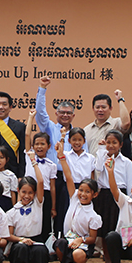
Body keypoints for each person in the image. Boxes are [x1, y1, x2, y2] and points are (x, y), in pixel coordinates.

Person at [35, 76, 77, 237]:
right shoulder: (50, 128)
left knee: (66, 209)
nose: (65, 115)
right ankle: (46, 243)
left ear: (73, 115)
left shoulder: (77, 135)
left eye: (68, 113)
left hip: (69, 178)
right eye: (62, 112)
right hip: (50, 176)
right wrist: (42, 88)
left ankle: (62, 241)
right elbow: (40, 112)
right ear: (56, 113)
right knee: (48, 210)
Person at [55, 139, 100, 263]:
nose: (83, 194)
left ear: (94, 194)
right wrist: (61, 156)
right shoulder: (74, 197)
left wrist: (81, 240)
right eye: (81, 190)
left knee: (78, 255)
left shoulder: (94, 216)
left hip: (83, 243)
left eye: (87, 192)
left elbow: (93, 238)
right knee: (58, 244)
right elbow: (68, 176)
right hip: (68, 239)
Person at [94, 129, 132, 263]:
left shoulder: (126, 162)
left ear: (121, 144)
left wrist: (130, 200)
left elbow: (130, 182)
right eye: (108, 142)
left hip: (121, 196)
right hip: (105, 195)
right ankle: (108, 260)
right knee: (105, 229)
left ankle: (119, 259)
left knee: (118, 227)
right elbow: (98, 168)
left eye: (114, 143)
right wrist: (100, 150)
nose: (111, 146)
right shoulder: (103, 158)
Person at [5, 159, 50, 263]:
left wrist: (34, 163)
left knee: (39, 250)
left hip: (36, 239)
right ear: (18, 191)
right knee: (20, 248)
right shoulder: (11, 212)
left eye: (30, 192)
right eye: (23, 192)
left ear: (35, 193)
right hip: (19, 240)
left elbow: (40, 182)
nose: (26, 196)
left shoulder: (37, 204)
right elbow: (8, 235)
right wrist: (21, 239)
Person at [24, 113, 57, 234]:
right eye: (36, 144)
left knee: (44, 223)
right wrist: (30, 118)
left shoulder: (51, 165)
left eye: (42, 144)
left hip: (45, 196)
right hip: (30, 193)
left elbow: (52, 187)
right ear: (33, 146)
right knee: (29, 221)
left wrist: (53, 206)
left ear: (48, 146)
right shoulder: (29, 156)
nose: (39, 146)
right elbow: (27, 135)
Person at [83, 90, 130, 155]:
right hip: (91, 164)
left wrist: (120, 100)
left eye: (103, 107)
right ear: (93, 109)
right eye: (97, 107)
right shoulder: (86, 130)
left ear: (110, 108)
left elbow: (126, 123)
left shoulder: (116, 123)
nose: (100, 110)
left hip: (111, 164)